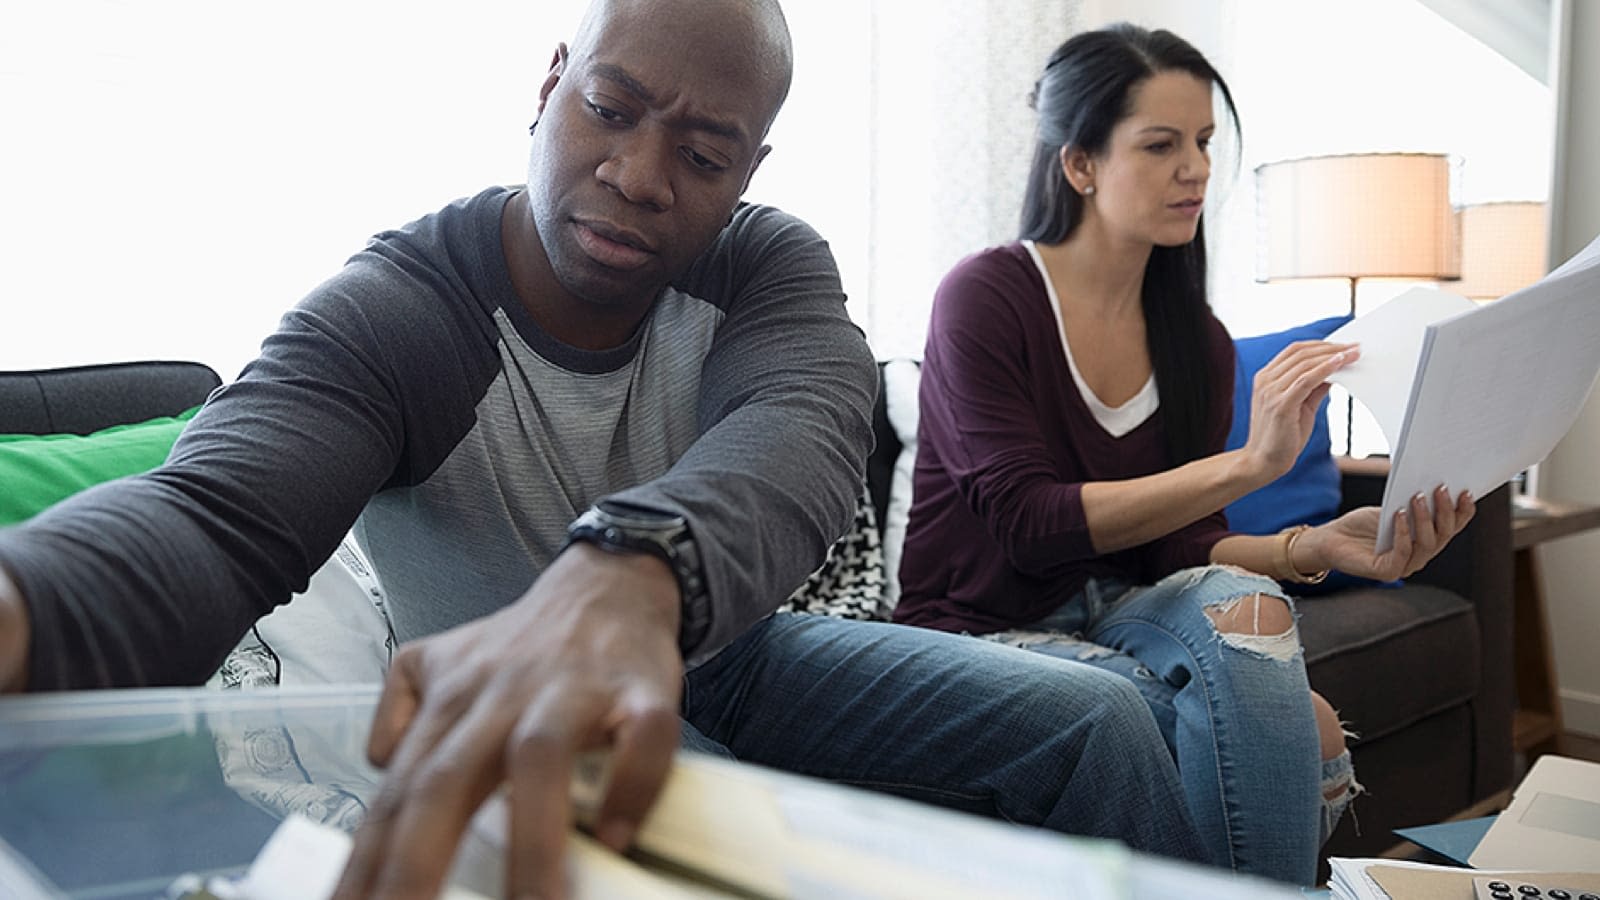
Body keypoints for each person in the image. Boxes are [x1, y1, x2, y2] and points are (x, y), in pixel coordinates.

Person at [0, 3, 1216, 897]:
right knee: (708, 841)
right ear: (550, 84)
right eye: (610, 110)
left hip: (726, 652)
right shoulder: (404, 309)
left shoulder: (763, 263)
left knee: (1099, 723)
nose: (637, 176)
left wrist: (625, 576)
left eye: (700, 156)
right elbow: (213, 515)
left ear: (747, 171)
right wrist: (23, 602)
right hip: (519, 713)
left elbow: (804, 424)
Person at [891, 23, 1477, 887]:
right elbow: (1026, 522)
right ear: (1080, 163)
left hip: (1123, 603)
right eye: (1161, 145)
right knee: (1291, 725)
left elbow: (1178, 548)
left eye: (1202, 141)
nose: (1196, 168)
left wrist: (1313, 546)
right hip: (977, 622)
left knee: (1250, 605)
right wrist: (1250, 462)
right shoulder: (988, 296)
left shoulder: (1193, 337)